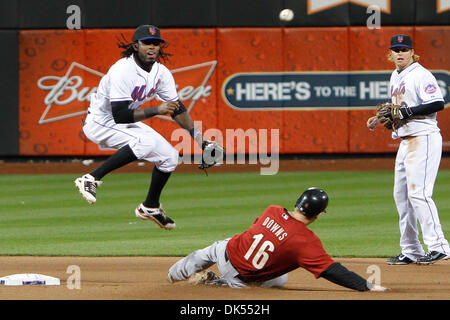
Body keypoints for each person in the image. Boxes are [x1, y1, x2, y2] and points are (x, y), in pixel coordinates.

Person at [75, 25, 219, 230]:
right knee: (145, 141)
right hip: (101, 122)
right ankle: (91, 178)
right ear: (135, 45)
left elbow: (177, 108)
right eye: (146, 43)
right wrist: (156, 110)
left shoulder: (161, 72)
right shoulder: (123, 70)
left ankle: (150, 207)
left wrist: (200, 140)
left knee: (170, 157)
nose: (152, 48)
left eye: (156, 43)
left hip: (124, 121)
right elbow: (120, 115)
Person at [167, 188, 388, 292]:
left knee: (203, 254)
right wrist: (365, 286)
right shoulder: (305, 241)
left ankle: (172, 276)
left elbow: (259, 231)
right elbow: (331, 270)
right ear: (319, 214)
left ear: (298, 202)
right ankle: (218, 283)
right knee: (279, 279)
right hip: (240, 278)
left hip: (225, 251)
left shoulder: (272, 210)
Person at [367, 34, 450, 265]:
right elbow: (395, 108)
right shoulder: (395, 75)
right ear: (390, 54)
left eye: (405, 49)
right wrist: (378, 118)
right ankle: (411, 249)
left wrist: (406, 112)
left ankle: (439, 246)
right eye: (396, 50)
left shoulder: (422, 74)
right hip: (406, 141)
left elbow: (437, 103)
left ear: (412, 52)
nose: (400, 53)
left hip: (423, 138)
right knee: (402, 197)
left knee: (419, 193)